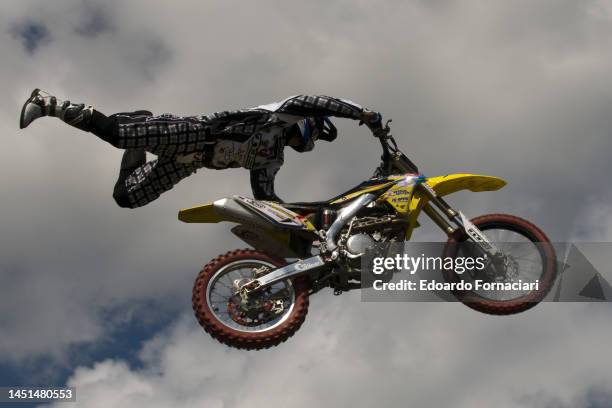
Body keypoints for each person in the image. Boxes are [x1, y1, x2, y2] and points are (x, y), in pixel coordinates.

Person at [19, 89, 384, 208]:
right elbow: (312, 99)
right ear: (312, 124)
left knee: (128, 198)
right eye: (316, 135)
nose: (310, 144)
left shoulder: (272, 159)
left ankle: (137, 145)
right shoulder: (282, 115)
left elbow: (267, 200)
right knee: (119, 133)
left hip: (190, 162)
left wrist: (304, 218)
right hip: (194, 133)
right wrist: (361, 114)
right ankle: (50, 103)